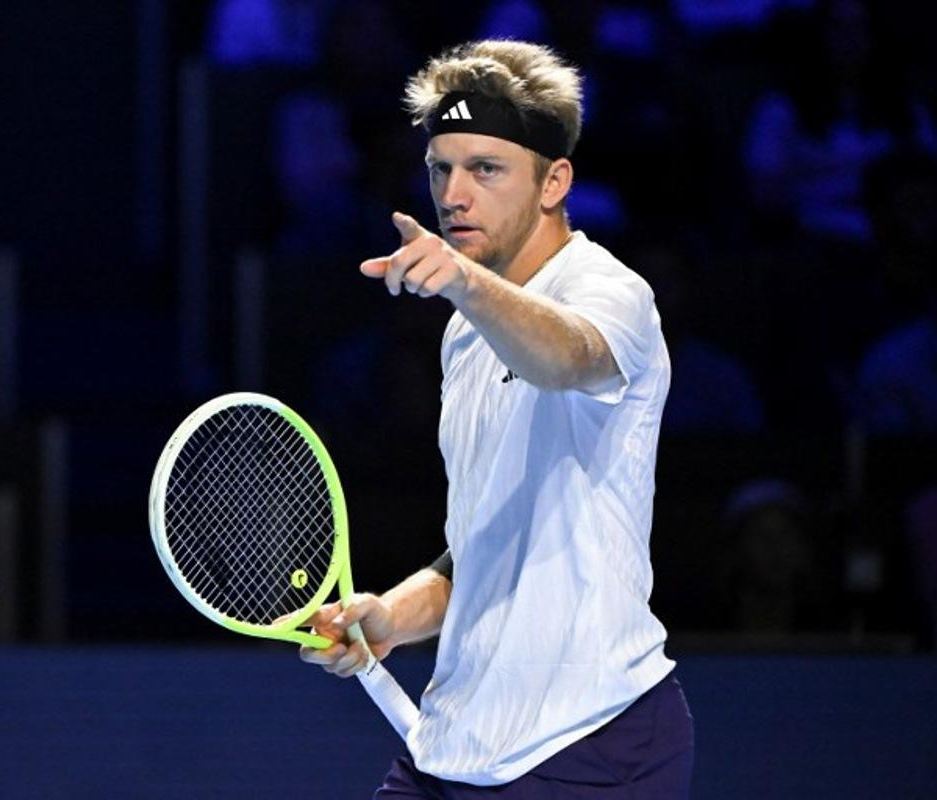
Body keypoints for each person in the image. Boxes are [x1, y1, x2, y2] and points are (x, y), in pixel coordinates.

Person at [297, 40, 693, 797]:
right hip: (457, 741)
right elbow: (480, 554)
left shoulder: (611, 291)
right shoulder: (463, 331)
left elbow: (568, 357)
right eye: (441, 168)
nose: (455, 194)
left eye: (486, 169)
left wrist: (469, 285)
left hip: (591, 743)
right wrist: (388, 616)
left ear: (555, 182)